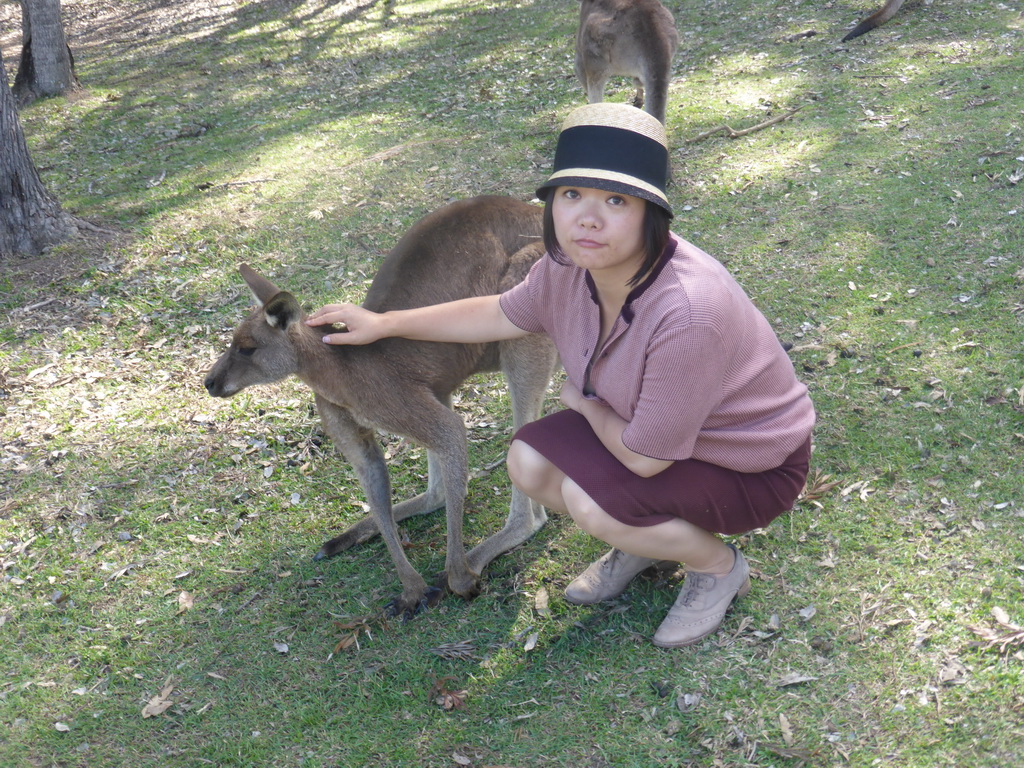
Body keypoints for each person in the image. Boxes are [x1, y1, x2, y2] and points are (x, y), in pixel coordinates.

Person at [305, 102, 815, 648]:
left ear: (651, 214)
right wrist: (383, 323)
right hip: (647, 429)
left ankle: (716, 566)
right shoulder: (570, 267)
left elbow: (647, 458)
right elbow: (499, 311)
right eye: (571, 196)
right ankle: (651, 539)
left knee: (596, 505)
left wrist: (586, 404)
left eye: (615, 201)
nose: (587, 219)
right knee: (528, 460)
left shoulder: (686, 311)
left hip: (743, 461)